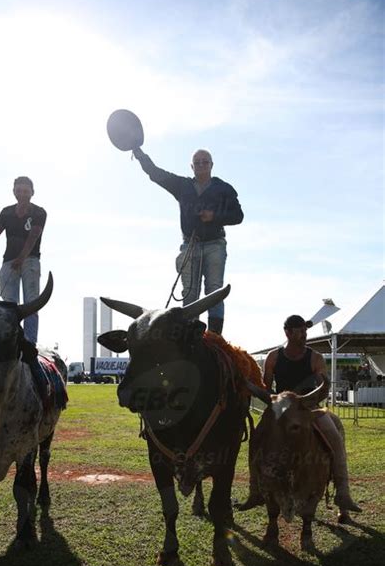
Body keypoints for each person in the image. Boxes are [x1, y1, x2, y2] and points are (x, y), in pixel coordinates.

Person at [240, 314, 361, 513]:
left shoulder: (315, 357)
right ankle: (255, 492)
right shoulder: (273, 357)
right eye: (300, 331)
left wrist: (303, 403)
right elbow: (266, 387)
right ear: (288, 332)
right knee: (257, 438)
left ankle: (343, 493)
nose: (304, 334)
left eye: (305, 330)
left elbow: (322, 386)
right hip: (280, 409)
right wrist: (274, 402)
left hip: (308, 408)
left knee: (335, 437)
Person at [132, 147, 243, 335]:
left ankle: (215, 336)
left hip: (215, 244)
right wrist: (138, 151)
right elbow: (156, 174)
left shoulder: (224, 188)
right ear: (191, 166)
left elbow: (238, 216)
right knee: (190, 294)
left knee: (214, 291)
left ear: (211, 165)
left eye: (205, 162)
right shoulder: (182, 186)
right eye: (197, 162)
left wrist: (214, 216)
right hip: (189, 245)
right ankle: (190, 334)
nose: (201, 165)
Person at [0, 176, 46, 345]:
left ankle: (30, 342)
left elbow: (33, 236)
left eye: (25, 191)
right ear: (14, 192)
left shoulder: (39, 212)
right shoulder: (6, 212)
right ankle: (10, 340)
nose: (22, 194)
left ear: (32, 192)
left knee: (31, 303)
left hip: (29, 260)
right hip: (9, 262)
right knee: (8, 306)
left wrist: (21, 257)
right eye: (19, 190)